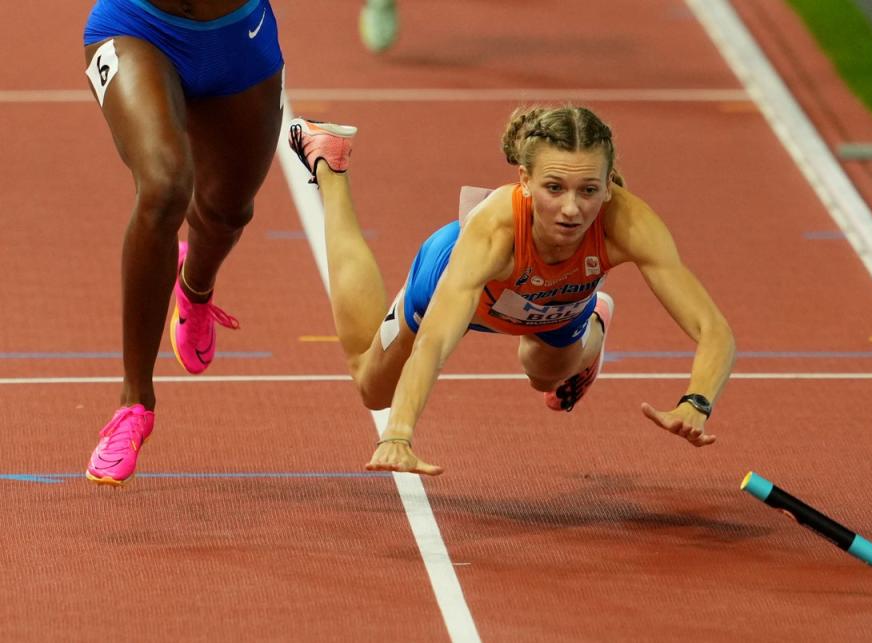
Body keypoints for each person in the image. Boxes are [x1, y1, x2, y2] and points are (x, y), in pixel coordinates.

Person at [287, 105, 736, 476]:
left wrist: (697, 400)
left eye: (589, 190)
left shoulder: (629, 224)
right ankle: (331, 163)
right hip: (460, 288)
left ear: (608, 186)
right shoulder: (495, 228)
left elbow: (712, 327)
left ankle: (594, 320)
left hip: (557, 304)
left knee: (544, 374)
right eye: (554, 188)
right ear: (524, 180)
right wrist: (399, 433)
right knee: (373, 388)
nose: (571, 209)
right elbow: (436, 341)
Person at [82, 0, 284, 485]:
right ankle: (134, 403)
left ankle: (195, 290)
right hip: (135, 27)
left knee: (228, 211)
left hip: (239, 41)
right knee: (165, 186)